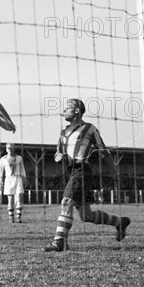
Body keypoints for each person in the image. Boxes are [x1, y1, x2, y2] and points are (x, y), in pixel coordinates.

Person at [45, 98, 131, 252]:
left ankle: (60, 241)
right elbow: (58, 153)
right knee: (86, 215)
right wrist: (57, 157)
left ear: (77, 111)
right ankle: (119, 222)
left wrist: (114, 173)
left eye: (67, 108)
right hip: (70, 173)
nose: (64, 111)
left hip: (82, 172)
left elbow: (104, 151)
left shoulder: (90, 129)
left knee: (66, 201)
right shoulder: (63, 132)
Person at [0, 143, 26, 223]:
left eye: (12, 148)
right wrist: (0, 182)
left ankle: (19, 217)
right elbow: (0, 171)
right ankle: (11, 217)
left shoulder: (19, 158)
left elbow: (22, 169)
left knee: (19, 197)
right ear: (6, 149)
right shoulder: (3, 159)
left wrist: (24, 179)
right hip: (9, 179)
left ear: (14, 149)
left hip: (18, 178)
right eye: (8, 148)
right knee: (10, 199)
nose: (10, 149)